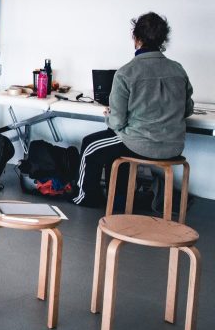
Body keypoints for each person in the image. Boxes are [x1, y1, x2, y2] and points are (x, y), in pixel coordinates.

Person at [73, 12, 193, 208]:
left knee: (90, 146)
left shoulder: (126, 72)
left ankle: (85, 198)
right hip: (174, 147)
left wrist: (110, 115)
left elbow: (118, 122)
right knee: (112, 144)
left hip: (140, 144)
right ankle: (119, 199)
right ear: (163, 40)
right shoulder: (178, 69)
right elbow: (187, 109)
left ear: (136, 38)